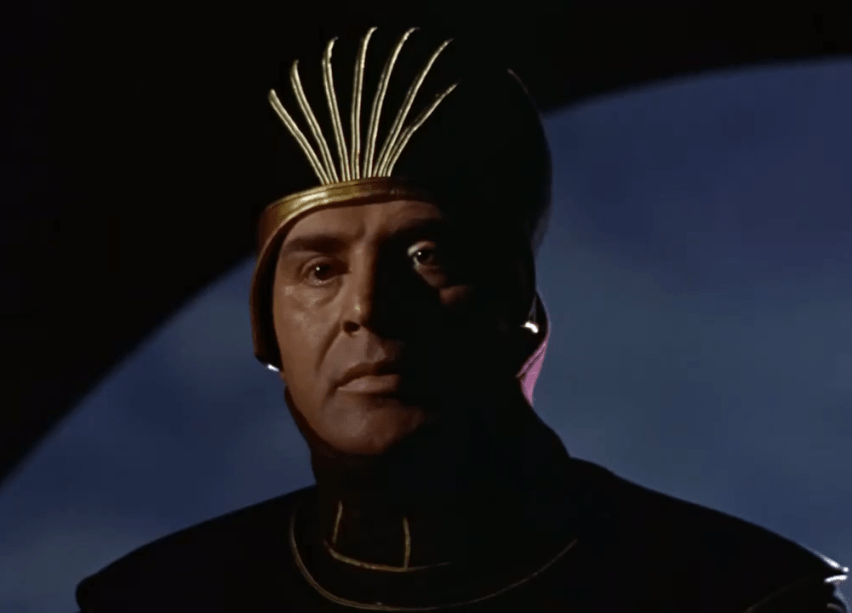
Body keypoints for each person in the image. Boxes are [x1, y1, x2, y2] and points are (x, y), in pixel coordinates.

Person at [74, 27, 847, 612]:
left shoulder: (736, 596)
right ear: (265, 327)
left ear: (517, 302)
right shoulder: (159, 599)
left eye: (426, 255)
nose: (367, 307)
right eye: (319, 269)